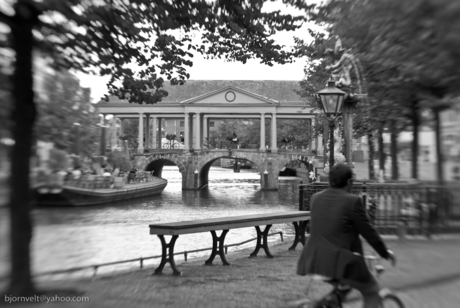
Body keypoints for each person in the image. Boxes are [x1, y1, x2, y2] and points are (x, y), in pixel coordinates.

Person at [297, 164, 396, 308]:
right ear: (349, 182)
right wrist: (384, 252)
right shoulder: (352, 201)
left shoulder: (315, 198)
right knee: (372, 290)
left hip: (313, 260)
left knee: (344, 286)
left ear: (330, 181)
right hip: (339, 261)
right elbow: (368, 232)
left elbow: (330, 227)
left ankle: (327, 303)